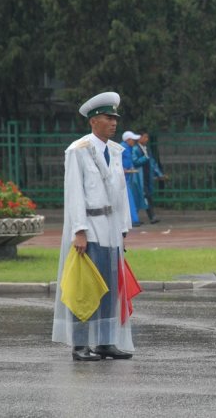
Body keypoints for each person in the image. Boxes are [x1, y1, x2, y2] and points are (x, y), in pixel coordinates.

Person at [52, 91, 135, 361]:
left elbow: (121, 193)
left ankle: (105, 341)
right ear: (93, 121)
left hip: (111, 226)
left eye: (115, 118)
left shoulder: (115, 151)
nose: (113, 123)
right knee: (87, 287)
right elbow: (74, 192)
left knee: (110, 287)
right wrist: (79, 231)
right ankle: (79, 344)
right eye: (108, 118)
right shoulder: (78, 150)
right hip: (89, 225)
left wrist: (123, 229)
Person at [132, 130, 166, 224]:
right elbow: (135, 161)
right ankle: (149, 217)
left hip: (147, 176)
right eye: (145, 137)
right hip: (139, 177)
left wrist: (159, 174)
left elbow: (153, 163)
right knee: (143, 196)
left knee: (147, 196)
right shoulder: (135, 149)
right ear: (140, 137)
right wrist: (144, 158)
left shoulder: (146, 149)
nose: (147, 139)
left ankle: (138, 218)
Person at [121, 131, 141, 227]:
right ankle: (134, 220)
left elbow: (128, 161)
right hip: (123, 178)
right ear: (128, 140)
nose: (134, 141)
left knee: (129, 198)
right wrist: (122, 169)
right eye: (133, 140)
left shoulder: (128, 148)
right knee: (129, 198)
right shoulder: (123, 148)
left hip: (126, 177)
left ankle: (133, 219)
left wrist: (131, 167)